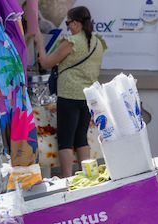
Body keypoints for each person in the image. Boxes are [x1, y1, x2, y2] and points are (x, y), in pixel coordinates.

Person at [36, 6, 106, 177]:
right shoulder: (98, 42)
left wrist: (39, 42)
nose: (68, 27)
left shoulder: (72, 42)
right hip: (88, 96)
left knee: (66, 141)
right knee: (81, 138)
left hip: (69, 95)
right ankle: (88, 177)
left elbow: (46, 63)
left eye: (68, 23)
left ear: (76, 23)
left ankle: (67, 179)